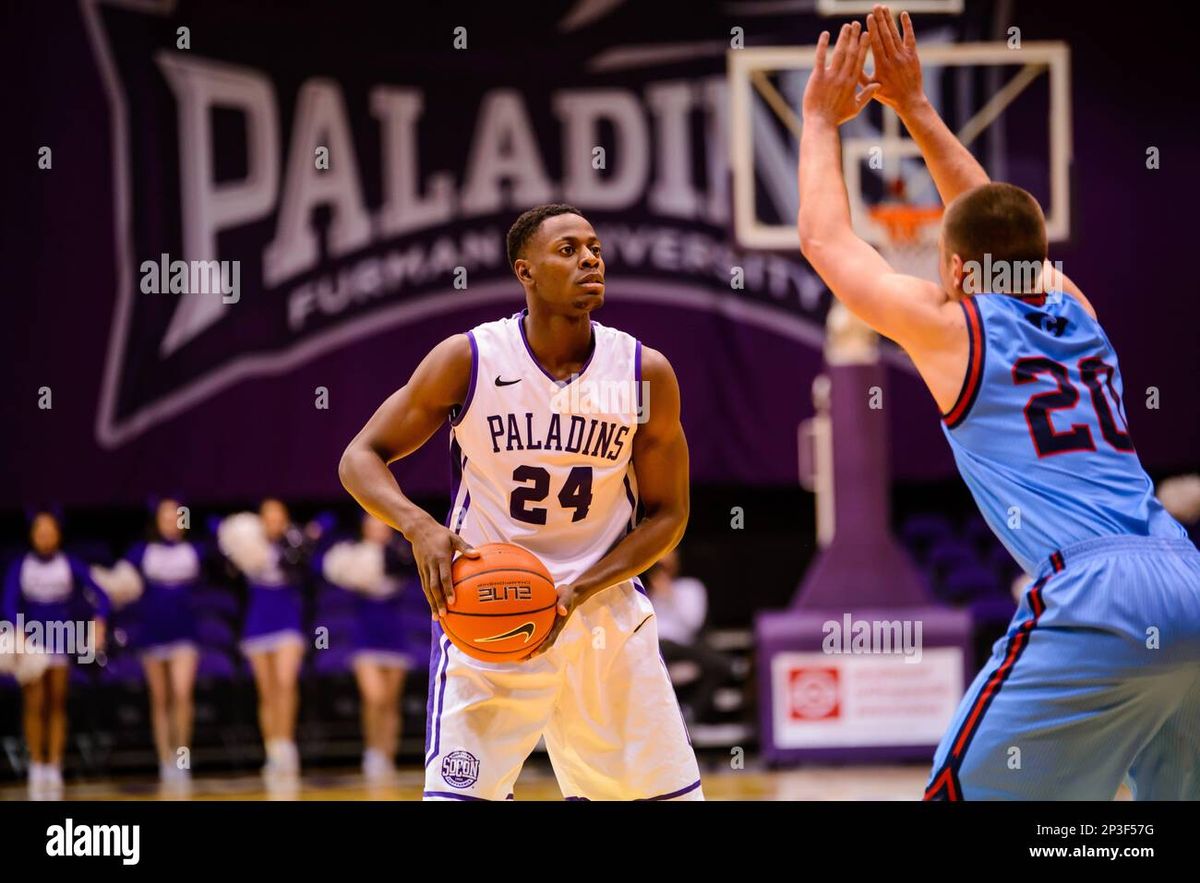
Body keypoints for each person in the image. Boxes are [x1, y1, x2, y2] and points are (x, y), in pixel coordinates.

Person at [794, 7, 1199, 799]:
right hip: (1187, 574)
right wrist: (916, 106)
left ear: (950, 266)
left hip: (1096, 592)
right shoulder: (1072, 301)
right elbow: (996, 223)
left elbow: (826, 241)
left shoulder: (951, 327)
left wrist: (817, 119)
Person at [340, 204, 703, 800]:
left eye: (595, 247)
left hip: (602, 619)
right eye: (567, 249)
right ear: (524, 271)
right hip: (490, 611)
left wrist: (580, 589)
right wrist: (417, 525)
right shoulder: (471, 359)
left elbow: (670, 515)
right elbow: (360, 456)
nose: (589, 258)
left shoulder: (642, 374)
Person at [2, 511, 108, 798]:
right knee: (34, 704)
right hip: (31, 643)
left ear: (58, 534)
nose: (45, 537)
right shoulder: (21, 566)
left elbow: (100, 594)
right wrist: (17, 629)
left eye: (50, 531)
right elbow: (8, 602)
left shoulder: (69, 563)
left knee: (57, 703)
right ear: (32, 535)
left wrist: (100, 621)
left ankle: (54, 766)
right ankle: (36, 765)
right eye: (40, 531)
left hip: (61, 638)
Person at [321, 513, 419, 783]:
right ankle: (373, 752)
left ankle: (387, 755)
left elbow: (410, 570)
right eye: (372, 527)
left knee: (389, 702)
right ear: (364, 530)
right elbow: (330, 571)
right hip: (365, 637)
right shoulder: (353, 557)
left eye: (382, 527)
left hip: (395, 636)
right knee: (374, 698)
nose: (378, 531)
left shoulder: (401, 554)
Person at [219, 498, 310, 782]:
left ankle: (286, 744)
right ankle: (273, 751)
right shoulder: (248, 544)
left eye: (278, 516)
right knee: (267, 691)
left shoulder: (293, 545)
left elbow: (306, 573)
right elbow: (226, 571)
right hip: (258, 621)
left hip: (287, 619)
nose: (273, 521)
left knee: (285, 682)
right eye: (268, 516)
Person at [122, 497, 201, 788]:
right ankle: (165, 760)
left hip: (184, 632)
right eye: (165, 517)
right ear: (156, 521)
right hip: (152, 632)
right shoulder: (143, 552)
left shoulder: (195, 551)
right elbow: (120, 583)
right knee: (160, 698)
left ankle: (181, 760)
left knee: (181, 694)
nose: (171, 522)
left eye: (177, 517)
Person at [647, 549, 734, 723]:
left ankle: (690, 712)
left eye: (666, 564)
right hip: (652, 645)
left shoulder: (690, 588)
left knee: (719, 664)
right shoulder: (640, 591)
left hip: (683, 647)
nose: (662, 569)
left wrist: (669, 596)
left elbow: (693, 623)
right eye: (658, 565)